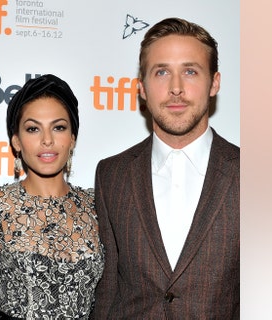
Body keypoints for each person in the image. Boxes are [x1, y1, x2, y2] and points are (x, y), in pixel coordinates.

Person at [92, 17, 239, 319]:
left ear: (214, 83)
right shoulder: (112, 175)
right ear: (141, 88)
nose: (176, 88)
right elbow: (107, 294)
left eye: (190, 71)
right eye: (161, 72)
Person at [0, 74, 104, 319]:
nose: (47, 140)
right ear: (16, 141)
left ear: (72, 139)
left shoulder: (98, 206)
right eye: (33, 129)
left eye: (59, 127)